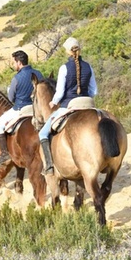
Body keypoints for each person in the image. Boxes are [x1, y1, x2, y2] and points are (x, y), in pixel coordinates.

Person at [38, 37, 97, 175]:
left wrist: (53, 101)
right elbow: (94, 91)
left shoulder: (64, 68)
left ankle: (49, 166)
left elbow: (59, 92)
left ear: (67, 51)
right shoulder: (89, 67)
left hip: (68, 105)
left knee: (43, 133)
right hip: (88, 104)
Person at [0, 50, 43, 165]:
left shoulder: (16, 78)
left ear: (19, 62)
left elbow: (11, 98)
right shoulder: (38, 73)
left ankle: (5, 154)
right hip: (37, 108)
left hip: (20, 109)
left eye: (14, 62)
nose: (13, 65)